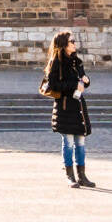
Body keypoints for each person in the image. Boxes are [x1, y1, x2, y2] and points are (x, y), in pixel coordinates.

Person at [41, 30, 94, 188]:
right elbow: (53, 85)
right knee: (69, 142)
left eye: (74, 41)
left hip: (78, 107)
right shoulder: (56, 62)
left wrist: (86, 81)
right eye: (72, 41)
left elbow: (82, 80)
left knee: (81, 142)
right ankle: (70, 176)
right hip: (65, 107)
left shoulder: (76, 62)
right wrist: (73, 85)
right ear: (64, 44)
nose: (75, 43)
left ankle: (82, 176)